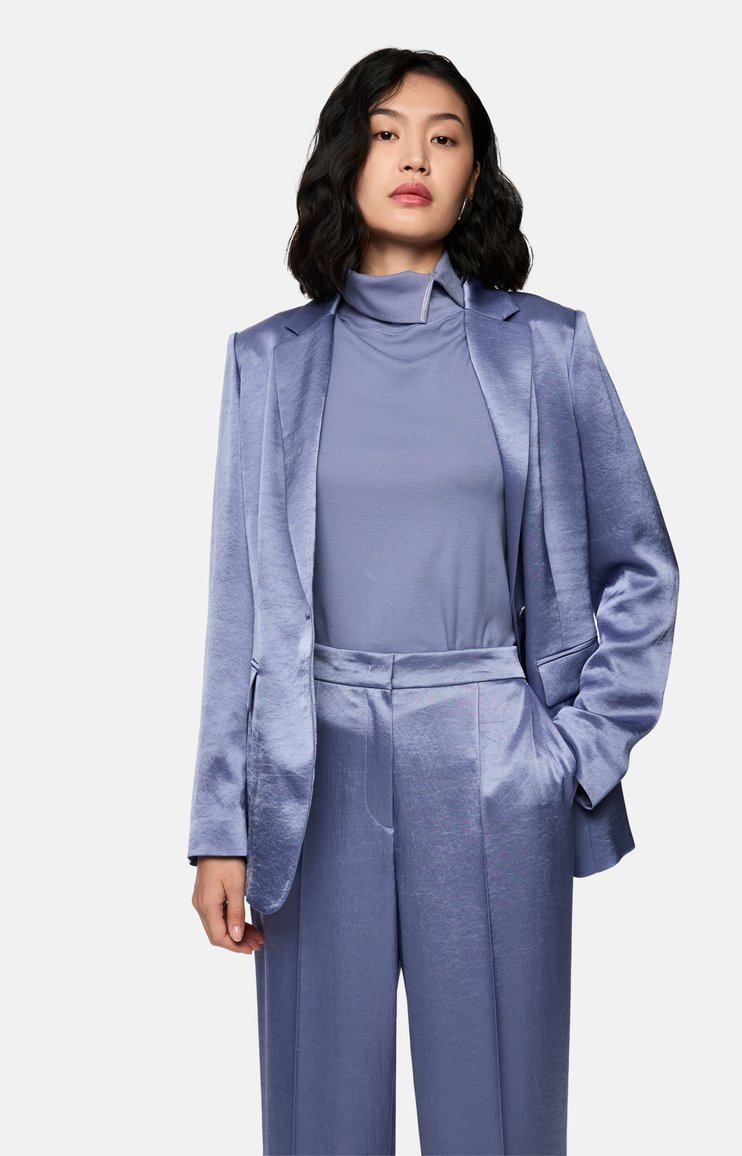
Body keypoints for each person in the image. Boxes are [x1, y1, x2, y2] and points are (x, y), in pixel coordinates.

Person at [187, 46, 679, 1156]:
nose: (414, 156)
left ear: (472, 176)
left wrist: (574, 753)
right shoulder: (267, 363)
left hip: (493, 752)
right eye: (386, 132)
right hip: (314, 760)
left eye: (444, 137)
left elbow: (641, 566)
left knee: (499, 1121)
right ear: (344, 159)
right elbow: (238, 610)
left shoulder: (545, 348)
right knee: (318, 1119)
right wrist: (220, 829)